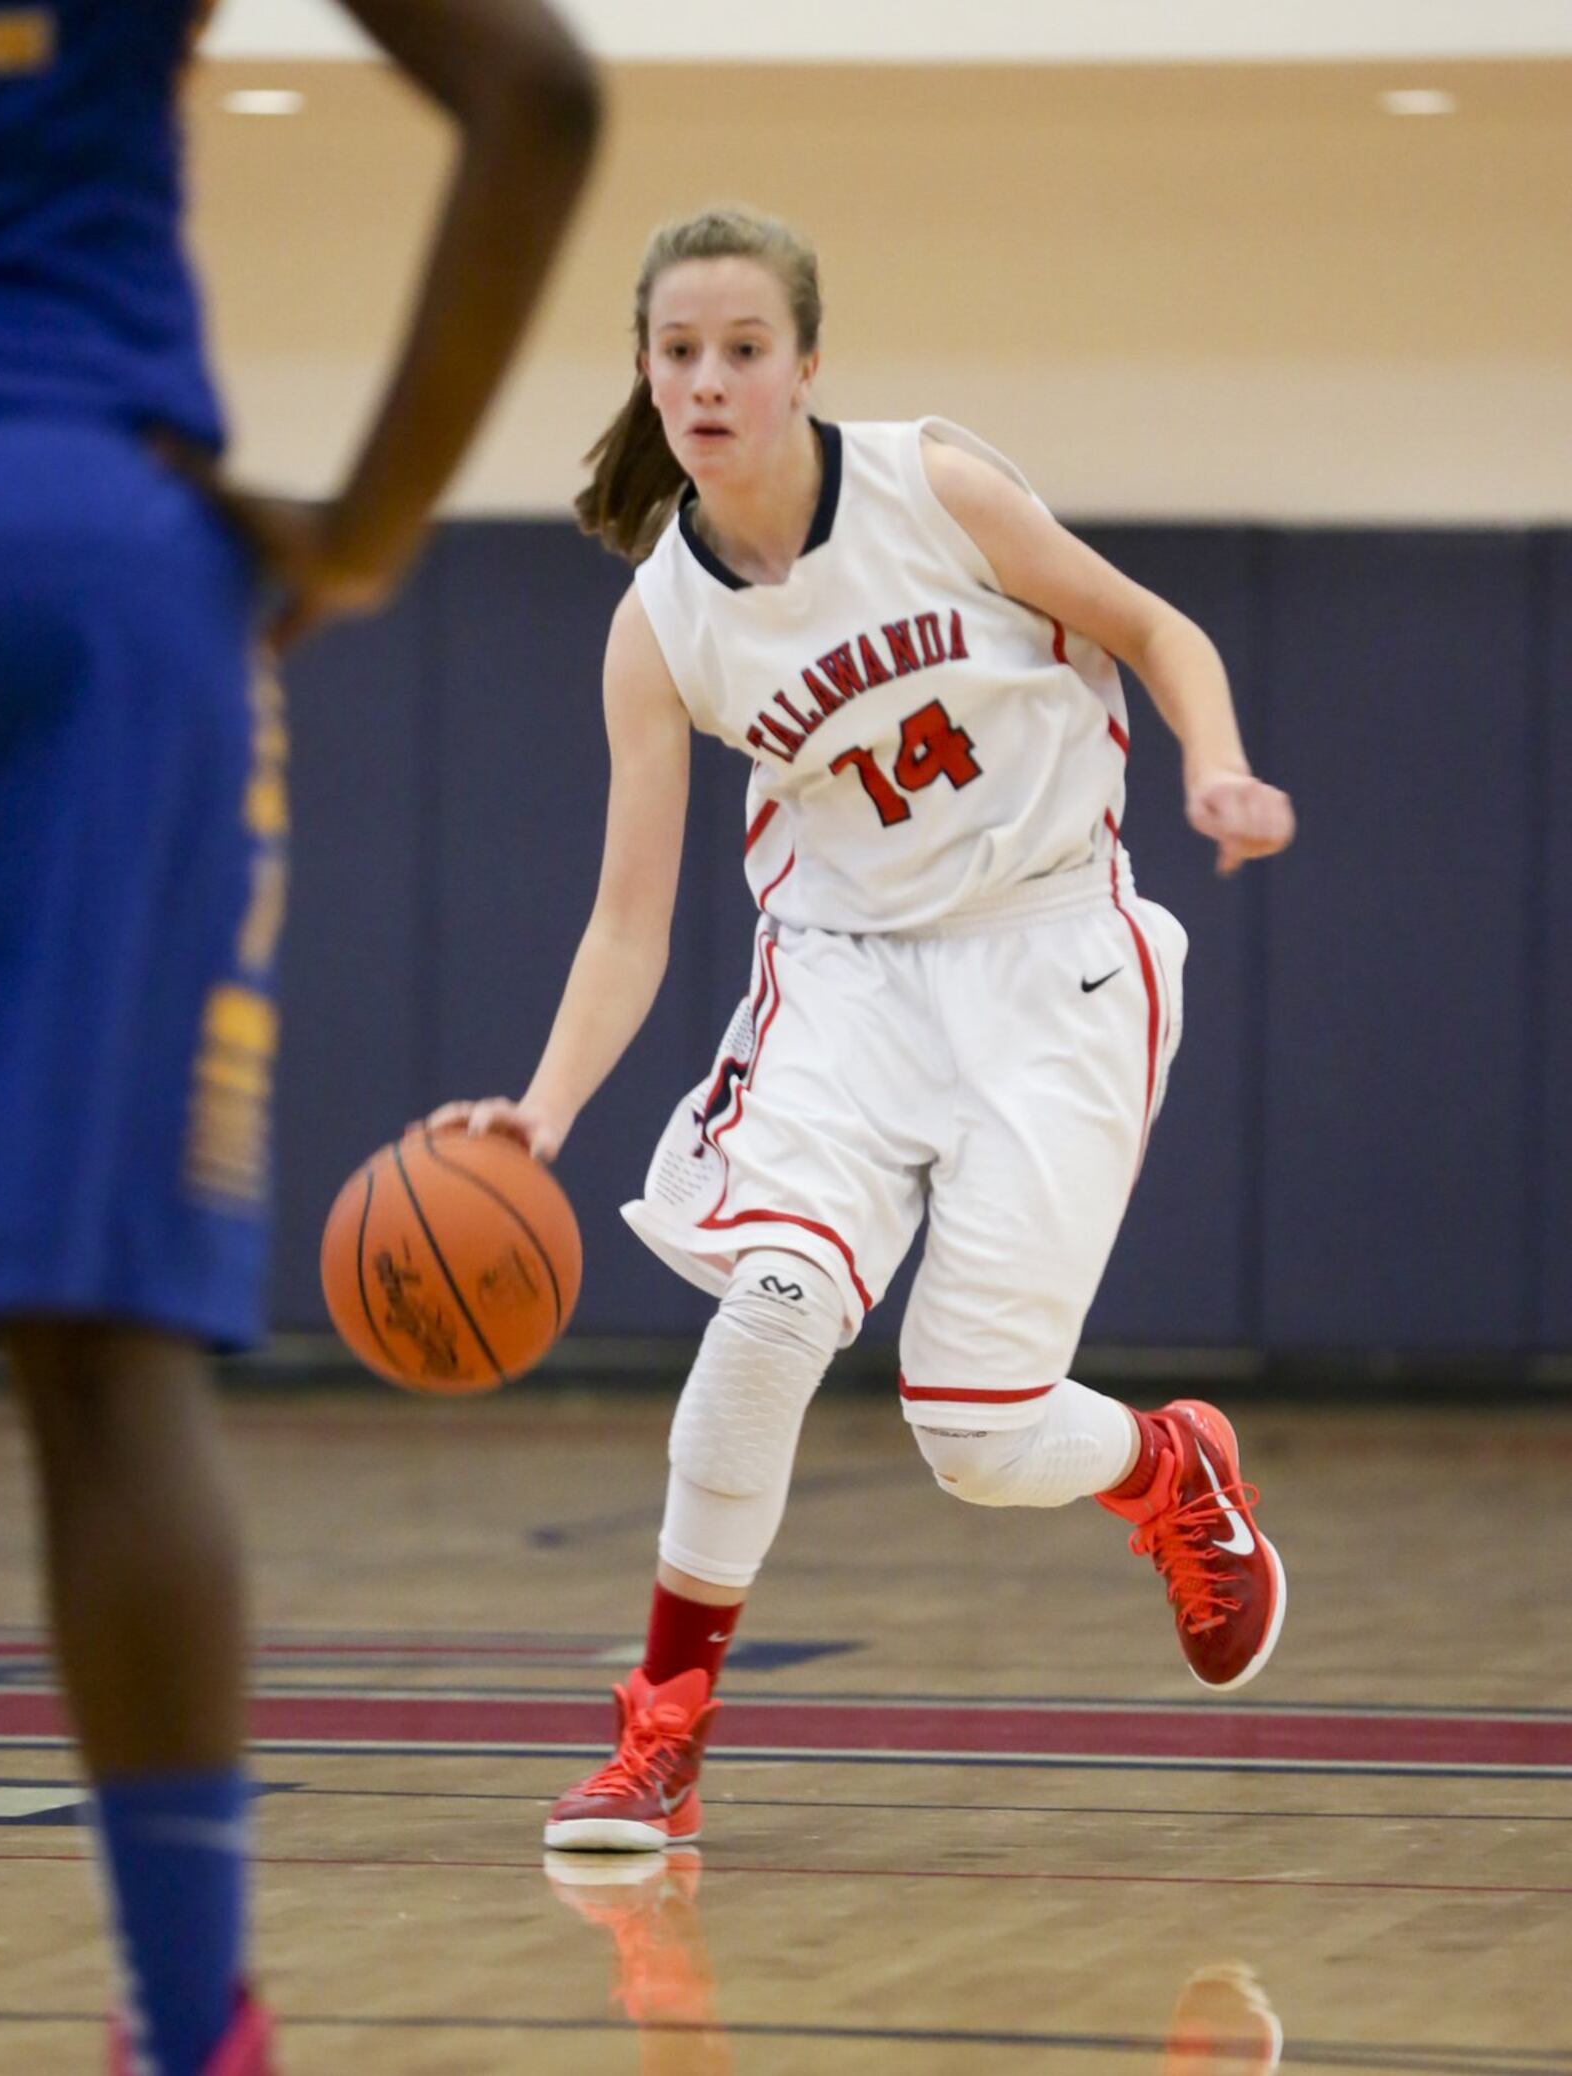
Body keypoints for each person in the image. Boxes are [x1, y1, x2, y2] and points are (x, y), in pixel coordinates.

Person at [432, 206, 1295, 1855]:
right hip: (843, 972)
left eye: (744, 350)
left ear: (806, 367)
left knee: (974, 1435)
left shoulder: (932, 484)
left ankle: (1169, 1468)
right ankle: (664, 1733)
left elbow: (1158, 631)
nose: (709, 380)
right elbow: (629, 919)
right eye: (679, 352)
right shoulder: (660, 625)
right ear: (646, 371)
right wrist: (540, 1114)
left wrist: (1215, 763)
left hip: (1050, 950)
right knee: (767, 1313)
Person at [0, 3, 598, 2070]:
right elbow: (541, 92)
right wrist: (366, 529)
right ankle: (190, 2032)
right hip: (90, 555)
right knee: (103, 1369)